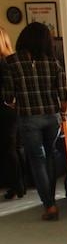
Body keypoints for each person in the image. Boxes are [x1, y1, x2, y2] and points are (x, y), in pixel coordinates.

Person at [2, 22, 67, 220]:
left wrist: (18, 104)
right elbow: (64, 97)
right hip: (51, 117)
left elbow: (8, 96)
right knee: (50, 156)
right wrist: (61, 114)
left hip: (29, 118)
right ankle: (53, 201)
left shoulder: (12, 62)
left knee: (37, 160)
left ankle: (49, 206)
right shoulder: (53, 62)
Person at [0, 26, 26, 200]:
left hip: (5, 109)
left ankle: (17, 186)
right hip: (12, 110)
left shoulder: (4, 63)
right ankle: (18, 185)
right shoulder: (13, 60)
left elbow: (9, 91)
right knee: (13, 148)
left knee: (9, 149)